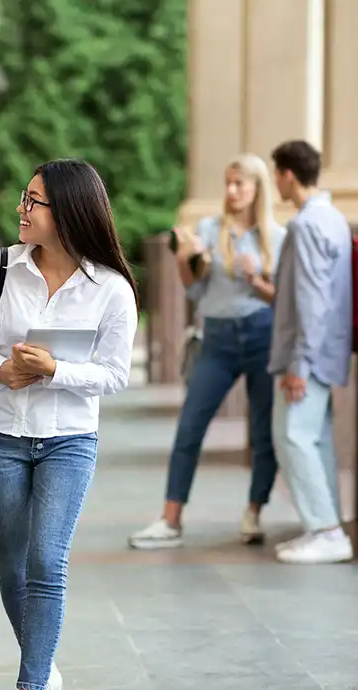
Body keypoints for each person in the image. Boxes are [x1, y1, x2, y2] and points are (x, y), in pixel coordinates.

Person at [0, 159, 139, 690]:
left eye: (34, 202)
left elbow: (115, 375)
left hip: (69, 440)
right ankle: (45, 662)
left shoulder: (111, 288)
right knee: (12, 565)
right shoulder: (0, 266)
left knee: (46, 560)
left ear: (68, 212)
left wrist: (54, 371)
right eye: (24, 199)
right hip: (0, 433)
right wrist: (0, 368)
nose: (22, 209)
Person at [129, 154, 286, 550]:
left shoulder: (277, 237)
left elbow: (284, 301)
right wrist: (185, 259)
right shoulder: (209, 229)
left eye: (240, 185)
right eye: (228, 183)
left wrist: (256, 279)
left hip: (261, 336)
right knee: (190, 426)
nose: (231, 192)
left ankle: (253, 513)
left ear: (257, 190)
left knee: (263, 431)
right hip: (216, 339)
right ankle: (170, 519)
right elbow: (194, 290)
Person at [268, 140, 354, 565]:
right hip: (328, 350)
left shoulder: (304, 225)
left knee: (294, 438)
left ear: (286, 174)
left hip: (307, 355)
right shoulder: (334, 219)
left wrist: (298, 363)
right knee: (314, 440)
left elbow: (311, 299)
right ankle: (324, 527)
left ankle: (326, 530)